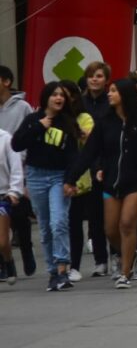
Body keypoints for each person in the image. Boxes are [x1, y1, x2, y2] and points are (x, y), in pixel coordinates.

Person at [64, 78, 137, 290]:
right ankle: (129, 252)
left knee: (126, 224)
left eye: (113, 90)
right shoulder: (105, 123)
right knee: (110, 230)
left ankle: (125, 272)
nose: (109, 94)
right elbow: (88, 153)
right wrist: (71, 179)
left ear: (124, 95)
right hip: (111, 183)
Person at [12, 82, 80, 291]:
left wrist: (71, 180)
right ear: (46, 98)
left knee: (59, 221)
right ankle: (52, 272)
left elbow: (73, 156)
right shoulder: (33, 120)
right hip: (36, 176)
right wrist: (38, 127)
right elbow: (17, 144)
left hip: (59, 177)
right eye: (54, 95)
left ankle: (62, 269)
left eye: (62, 96)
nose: (59, 98)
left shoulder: (68, 123)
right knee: (45, 226)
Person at [0, 65, 36, 278]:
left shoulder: (22, 107)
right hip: (1, 166)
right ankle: (5, 262)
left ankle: (26, 248)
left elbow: (30, 133)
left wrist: (24, 160)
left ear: (7, 81)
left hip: (19, 165)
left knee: (21, 216)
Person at [58, 80, 96, 283]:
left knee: (75, 223)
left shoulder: (84, 118)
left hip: (79, 179)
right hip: (57, 176)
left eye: (67, 95)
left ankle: (75, 265)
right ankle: (60, 263)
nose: (63, 99)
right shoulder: (55, 118)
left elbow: (90, 142)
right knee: (59, 224)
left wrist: (75, 129)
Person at [79, 61, 112, 277]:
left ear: (106, 79)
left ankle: (118, 256)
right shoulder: (80, 104)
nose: (94, 79)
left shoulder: (112, 101)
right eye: (91, 76)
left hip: (109, 163)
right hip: (87, 165)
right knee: (95, 216)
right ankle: (101, 261)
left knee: (113, 218)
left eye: (99, 76)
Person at [0, 127, 23, 285]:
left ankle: (8, 261)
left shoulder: (5, 138)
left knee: (2, 241)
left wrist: (14, 190)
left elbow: (16, 167)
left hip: (3, 194)